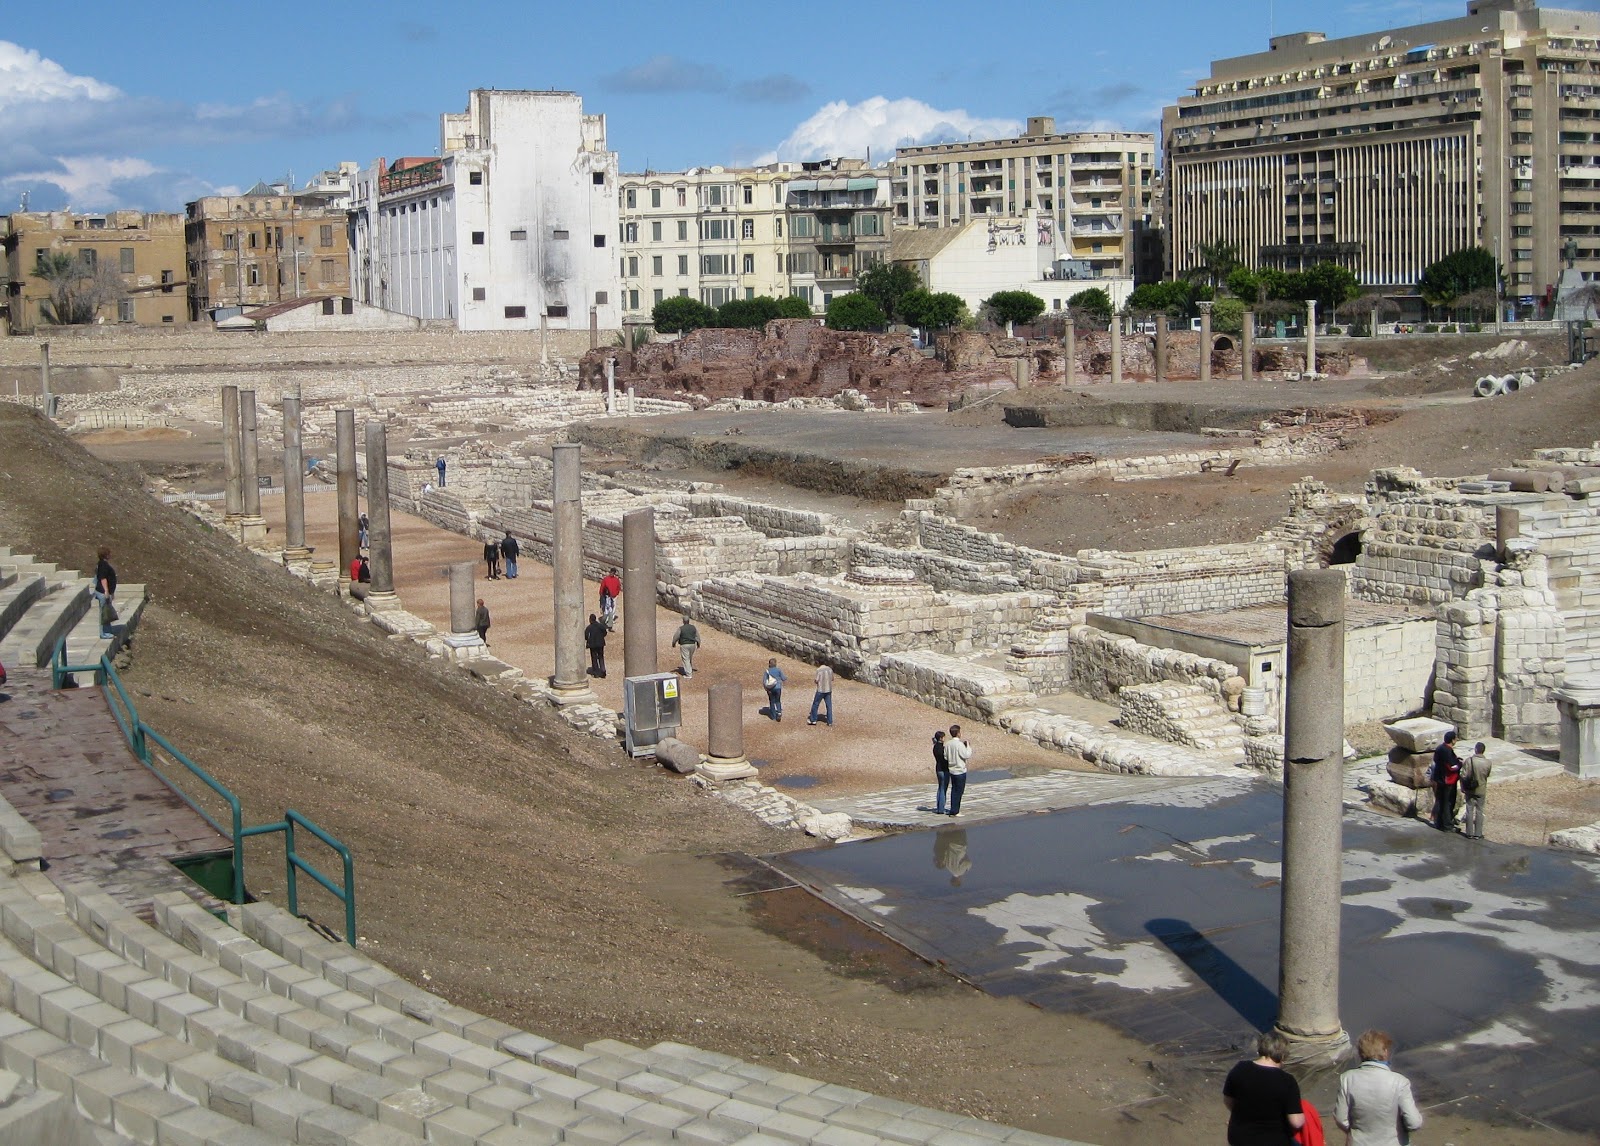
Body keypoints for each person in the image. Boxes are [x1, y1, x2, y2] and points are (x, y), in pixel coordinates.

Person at [1333, 1029, 1423, 1146]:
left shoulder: (1347, 1079)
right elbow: (1414, 1122)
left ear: (1360, 1053)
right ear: (1385, 1052)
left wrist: (1355, 1131)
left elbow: (1340, 1118)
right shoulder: (1400, 1082)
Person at [1222, 1031, 1305, 1146]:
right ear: (1282, 1055)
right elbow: (1296, 1122)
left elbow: (1228, 1100)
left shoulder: (1240, 1069)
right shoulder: (1287, 1081)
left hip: (1239, 1138)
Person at [1430, 731, 1462, 832]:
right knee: (1448, 803)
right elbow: (1452, 767)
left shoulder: (1439, 748)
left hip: (1439, 778)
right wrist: (1460, 764)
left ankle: (1438, 823)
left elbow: (1436, 760)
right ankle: (1447, 825)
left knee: (1440, 801)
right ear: (1452, 740)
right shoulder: (1448, 751)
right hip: (1447, 781)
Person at [1460, 741, 1492, 840]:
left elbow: (1463, 775)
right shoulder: (1488, 763)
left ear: (1476, 749)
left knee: (1469, 809)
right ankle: (1478, 833)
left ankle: (1469, 833)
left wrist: (1463, 786)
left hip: (1470, 788)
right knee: (1479, 810)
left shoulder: (1469, 761)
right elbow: (1487, 775)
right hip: (1481, 788)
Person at [943, 725, 972, 816]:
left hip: (952, 770)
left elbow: (945, 756)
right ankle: (955, 811)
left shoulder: (947, 744)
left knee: (954, 790)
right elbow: (966, 755)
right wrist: (968, 746)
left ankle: (954, 809)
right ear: (958, 733)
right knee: (959, 791)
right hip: (960, 770)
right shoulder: (959, 744)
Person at [93, 546, 118, 639]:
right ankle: (104, 633)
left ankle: (107, 630)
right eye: (109, 553)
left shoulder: (101, 564)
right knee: (104, 613)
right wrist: (106, 591)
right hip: (103, 592)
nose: (110, 555)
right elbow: (103, 579)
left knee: (106, 612)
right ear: (106, 555)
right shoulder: (103, 565)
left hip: (104, 592)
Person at [932, 730, 950, 814]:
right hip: (944, 769)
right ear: (941, 738)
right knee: (943, 789)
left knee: (940, 788)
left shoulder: (935, 747)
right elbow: (945, 759)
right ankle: (941, 808)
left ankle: (939, 807)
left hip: (938, 768)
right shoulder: (942, 748)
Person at [585, 613, 609, 677]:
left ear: (590, 620)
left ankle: (596, 673)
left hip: (593, 645)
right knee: (601, 657)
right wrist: (601, 637)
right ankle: (603, 671)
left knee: (594, 658)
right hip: (600, 644)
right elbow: (605, 632)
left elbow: (586, 636)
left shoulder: (589, 627)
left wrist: (588, 640)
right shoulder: (600, 626)